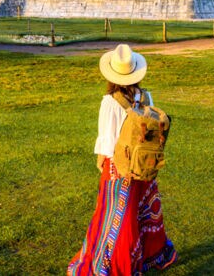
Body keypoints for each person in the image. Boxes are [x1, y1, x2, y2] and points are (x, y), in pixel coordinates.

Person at [67, 44, 177, 275]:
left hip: (120, 167)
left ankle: (113, 264)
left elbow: (108, 138)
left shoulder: (110, 101)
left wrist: (101, 160)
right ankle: (151, 255)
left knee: (115, 216)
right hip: (143, 165)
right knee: (142, 210)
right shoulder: (145, 95)